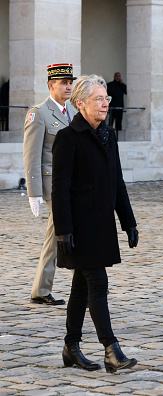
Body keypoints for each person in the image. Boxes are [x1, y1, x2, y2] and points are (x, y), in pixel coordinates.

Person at [52, 74, 138, 373]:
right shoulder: (68, 137)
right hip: (78, 228)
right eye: (98, 99)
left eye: (107, 99)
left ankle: (71, 347)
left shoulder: (108, 135)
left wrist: (128, 222)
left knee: (80, 287)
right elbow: (60, 188)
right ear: (80, 104)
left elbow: (117, 182)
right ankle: (111, 350)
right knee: (97, 284)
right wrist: (63, 231)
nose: (105, 104)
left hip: (102, 225)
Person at [23, 63, 78, 306]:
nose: (68, 87)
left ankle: (42, 289)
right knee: (62, 232)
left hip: (73, 183)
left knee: (60, 233)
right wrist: (33, 193)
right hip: (52, 184)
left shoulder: (73, 112)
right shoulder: (39, 113)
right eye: (63, 83)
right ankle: (84, 284)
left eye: (70, 82)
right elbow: (31, 155)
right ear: (50, 85)